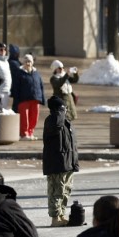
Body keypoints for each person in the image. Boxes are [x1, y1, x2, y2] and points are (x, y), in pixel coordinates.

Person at [43, 96, 79, 227]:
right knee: (56, 191)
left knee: (65, 191)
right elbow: (56, 127)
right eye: (63, 108)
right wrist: (59, 112)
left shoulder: (66, 121)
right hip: (57, 163)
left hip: (67, 162)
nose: (65, 110)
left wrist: (74, 163)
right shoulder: (52, 120)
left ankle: (61, 214)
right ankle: (55, 217)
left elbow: (72, 144)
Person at [11, 53, 46, 139]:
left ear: (32, 62)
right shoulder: (19, 73)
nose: (28, 63)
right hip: (23, 99)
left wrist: (43, 99)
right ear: (23, 62)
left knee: (34, 117)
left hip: (35, 98)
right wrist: (16, 99)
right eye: (26, 61)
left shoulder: (36, 73)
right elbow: (15, 87)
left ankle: (31, 132)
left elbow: (41, 86)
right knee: (24, 118)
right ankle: (24, 133)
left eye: (29, 61)